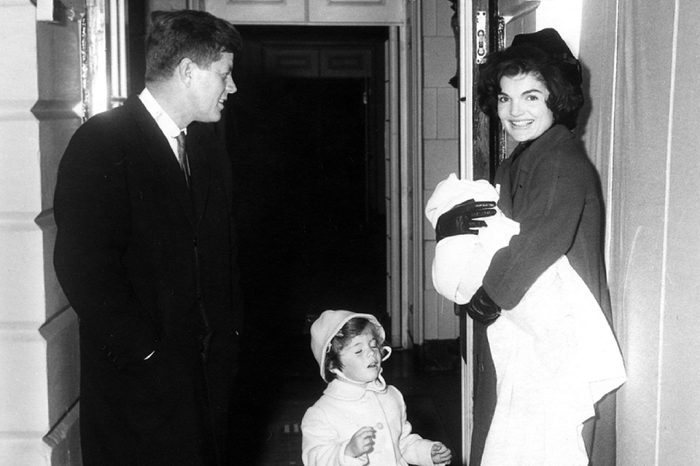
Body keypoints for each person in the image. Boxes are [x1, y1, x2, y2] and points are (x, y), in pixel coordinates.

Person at [53, 10, 243, 465]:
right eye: (225, 74)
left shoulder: (204, 147)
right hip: (138, 391)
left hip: (202, 380)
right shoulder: (102, 141)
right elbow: (82, 267)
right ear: (187, 71)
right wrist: (148, 356)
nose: (232, 87)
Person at [434, 28, 619, 465]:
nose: (514, 111)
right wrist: (450, 224)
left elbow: (541, 238)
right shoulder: (520, 158)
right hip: (525, 321)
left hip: (555, 329)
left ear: (558, 99)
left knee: (542, 441)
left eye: (531, 97)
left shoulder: (559, 160)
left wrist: (490, 294)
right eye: (504, 98)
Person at [301, 310, 453, 466]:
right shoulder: (321, 413)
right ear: (332, 365)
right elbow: (315, 458)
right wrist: (347, 452)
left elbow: (402, 442)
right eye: (358, 351)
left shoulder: (392, 395)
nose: (371, 354)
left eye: (374, 346)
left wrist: (426, 453)